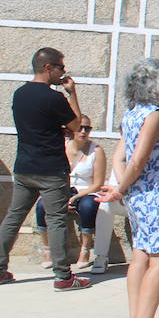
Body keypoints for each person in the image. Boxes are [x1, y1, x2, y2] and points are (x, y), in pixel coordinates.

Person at [0, 47, 91, 291]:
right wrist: (72, 93)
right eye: (61, 68)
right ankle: (63, 277)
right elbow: (76, 125)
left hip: (24, 167)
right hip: (51, 169)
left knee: (14, 217)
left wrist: (57, 127)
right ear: (48, 68)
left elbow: (38, 124)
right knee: (56, 221)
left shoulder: (19, 94)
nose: (63, 72)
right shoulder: (54, 97)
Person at [97, 59, 159, 318]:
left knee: (141, 256)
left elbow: (121, 159)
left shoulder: (131, 114)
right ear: (157, 86)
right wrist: (121, 189)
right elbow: (138, 159)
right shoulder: (154, 115)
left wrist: (125, 190)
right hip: (156, 196)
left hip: (139, 196)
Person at [31, 116, 111, 271]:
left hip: (86, 191)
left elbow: (97, 184)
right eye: (80, 128)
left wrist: (75, 197)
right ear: (71, 129)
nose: (83, 131)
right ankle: (48, 250)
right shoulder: (61, 147)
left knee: (88, 206)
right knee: (41, 205)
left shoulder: (96, 150)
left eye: (87, 128)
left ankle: (85, 250)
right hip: (62, 188)